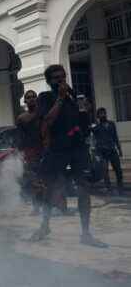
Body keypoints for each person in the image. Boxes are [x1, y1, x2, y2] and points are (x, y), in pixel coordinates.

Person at [31, 65, 107, 247]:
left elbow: (85, 124)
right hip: (58, 149)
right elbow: (47, 121)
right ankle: (45, 225)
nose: (61, 80)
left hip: (77, 148)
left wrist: (85, 111)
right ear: (49, 81)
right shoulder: (46, 98)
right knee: (51, 189)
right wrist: (60, 98)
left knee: (84, 188)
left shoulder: (74, 97)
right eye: (56, 78)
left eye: (63, 76)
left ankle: (86, 234)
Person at [16, 90, 44, 215]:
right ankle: (37, 207)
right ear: (25, 101)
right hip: (31, 152)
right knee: (34, 181)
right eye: (28, 97)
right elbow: (21, 139)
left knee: (49, 179)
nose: (31, 99)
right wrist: (22, 155)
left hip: (45, 150)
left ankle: (54, 205)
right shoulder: (22, 118)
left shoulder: (42, 114)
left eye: (33, 96)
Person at [92, 107, 124, 196]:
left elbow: (115, 137)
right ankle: (109, 189)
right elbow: (92, 137)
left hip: (112, 150)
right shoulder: (96, 127)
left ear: (106, 114)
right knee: (105, 171)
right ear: (98, 116)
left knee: (118, 170)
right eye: (100, 114)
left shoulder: (111, 124)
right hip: (102, 152)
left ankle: (120, 188)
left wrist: (119, 149)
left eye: (104, 113)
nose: (103, 115)